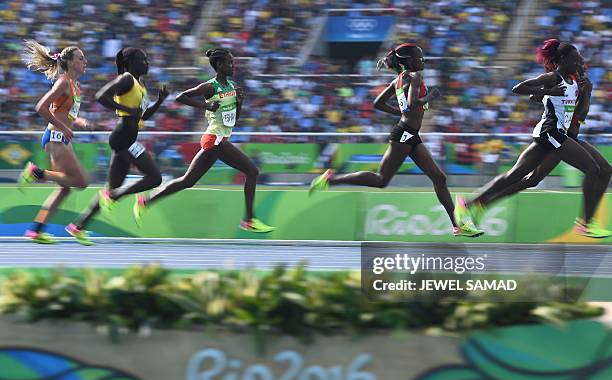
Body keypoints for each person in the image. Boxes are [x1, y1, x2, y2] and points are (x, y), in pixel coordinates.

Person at [309, 43, 483, 237]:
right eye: (419, 57)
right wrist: (431, 96)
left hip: (408, 133)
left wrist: (401, 113)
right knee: (381, 180)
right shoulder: (415, 76)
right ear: (409, 61)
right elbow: (413, 103)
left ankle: (458, 225)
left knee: (439, 178)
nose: (422, 60)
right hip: (404, 134)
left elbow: (378, 103)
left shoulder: (398, 80)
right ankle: (331, 179)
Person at [455, 39, 611, 238]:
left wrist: (586, 93)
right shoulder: (553, 77)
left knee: (522, 177)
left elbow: (579, 116)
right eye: (576, 58)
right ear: (563, 59)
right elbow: (518, 89)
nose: (580, 62)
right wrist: (548, 92)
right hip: (551, 133)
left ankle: (470, 204)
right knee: (592, 169)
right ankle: (586, 223)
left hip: (561, 135)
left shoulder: (575, 82)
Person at [133, 48, 274, 233]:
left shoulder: (232, 87)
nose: (233, 66)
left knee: (187, 181)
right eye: (230, 63)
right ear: (219, 65)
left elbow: (233, 120)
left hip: (218, 138)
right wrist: (206, 105)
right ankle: (249, 219)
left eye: (233, 62)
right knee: (252, 171)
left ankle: (145, 201)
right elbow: (180, 97)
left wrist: (240, 103)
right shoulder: (210, 86)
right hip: (214, 138)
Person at [66, 47, 168, 245]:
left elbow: (143, 115)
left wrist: (160, 101)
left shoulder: (140, 84)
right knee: (155, 178)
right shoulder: (126, 79)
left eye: (147, 59)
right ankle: (112, 196)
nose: (147, 62)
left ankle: (77, 226)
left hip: (127, 137)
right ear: (130, 63)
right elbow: (101, 96)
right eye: (142, 59)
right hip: (124, 138)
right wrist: (125, 109)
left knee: (112, 186)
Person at [19, 40, 93, 244]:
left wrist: (77, 121)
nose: (85, 61)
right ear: (69, 63)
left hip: (60, 137)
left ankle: (37, 230)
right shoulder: (64, 82)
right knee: (81, 182)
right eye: (80, 58)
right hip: (56, 137)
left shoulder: (75, 86)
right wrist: (64, 128)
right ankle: (36, 173)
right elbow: (41, 107)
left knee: (64, 188)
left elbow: (58, 111)